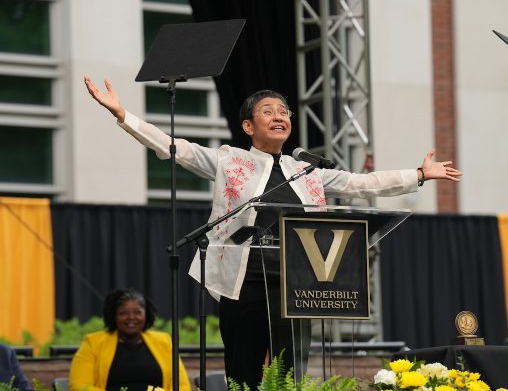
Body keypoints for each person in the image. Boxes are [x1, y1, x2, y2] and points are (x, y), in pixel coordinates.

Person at [83, 76, 462, 388]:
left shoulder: (309, 171)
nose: (279, 116)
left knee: (290, 372)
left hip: (299, 284)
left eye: (284, 112)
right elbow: (176, 148)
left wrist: (417, 175)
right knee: (243, 371)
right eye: (268, 111)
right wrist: (123, 115)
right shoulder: (230, 161)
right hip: (243, 281)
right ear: (248, 126)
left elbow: (361, 183)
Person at [69, 288, 190, 391]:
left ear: (146, 314)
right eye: (123, 313)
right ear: (114, 316)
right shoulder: (92, 343)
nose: (131, 317)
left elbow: (183, 386)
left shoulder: (164, 341)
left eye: (138, 312)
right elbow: (79, 386)